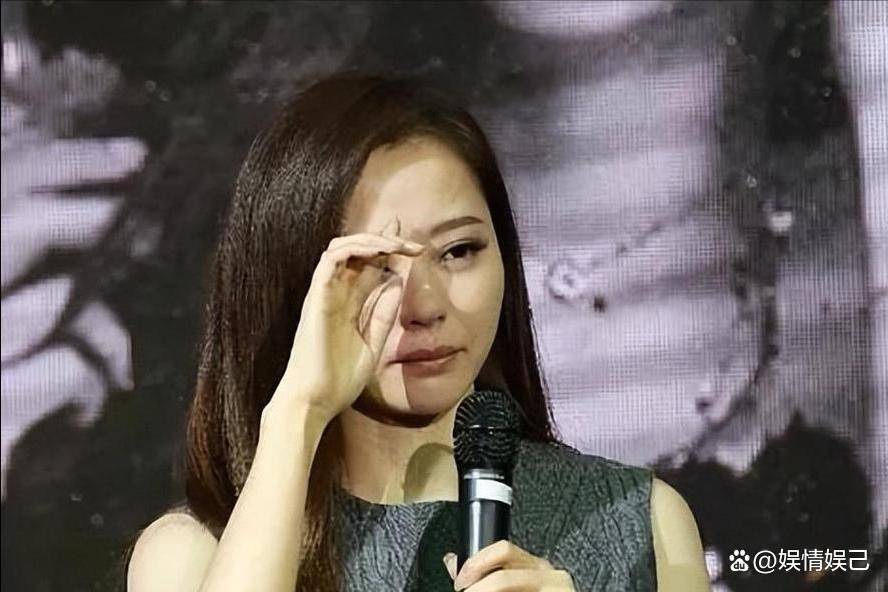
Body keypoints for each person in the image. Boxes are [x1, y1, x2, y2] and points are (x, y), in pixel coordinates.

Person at [126, 74, 710, 592]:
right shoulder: (195, 554)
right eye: (372, 266)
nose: (423, 305)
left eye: (459, 251)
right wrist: (297, 412)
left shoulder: (641, 525)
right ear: (294, 284)